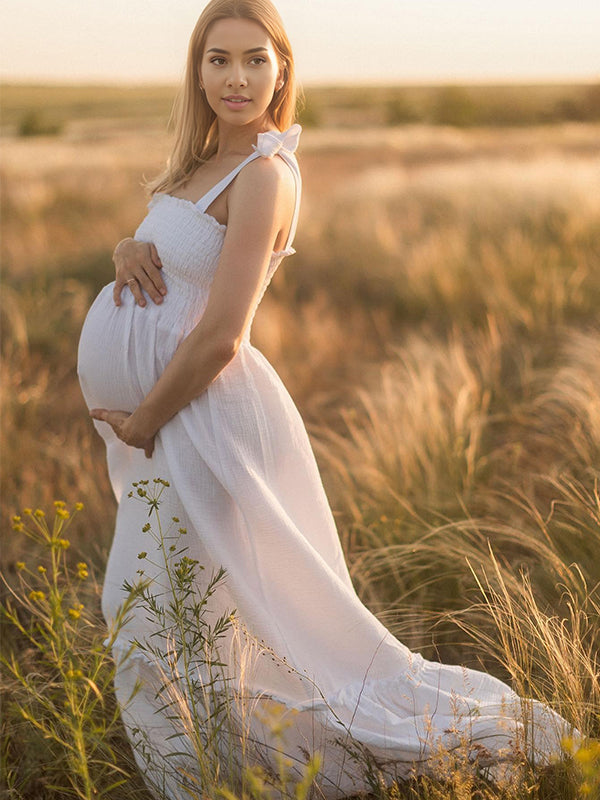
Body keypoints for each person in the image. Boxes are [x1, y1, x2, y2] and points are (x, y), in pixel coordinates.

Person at [77, 1, 577, 797]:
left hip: (199, 418)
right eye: (217, 60)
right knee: (196, 624)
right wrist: (127, 243)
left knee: (159, 618)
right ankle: (218, 775)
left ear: (281, 69)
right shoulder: (196, 166)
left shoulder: (266, 174)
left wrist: (145, 419)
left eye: (253, 60)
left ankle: (424, 750)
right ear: (196, 69)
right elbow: (172, 253)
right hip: (172, 424)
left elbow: (221, 337)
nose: (234, 79)